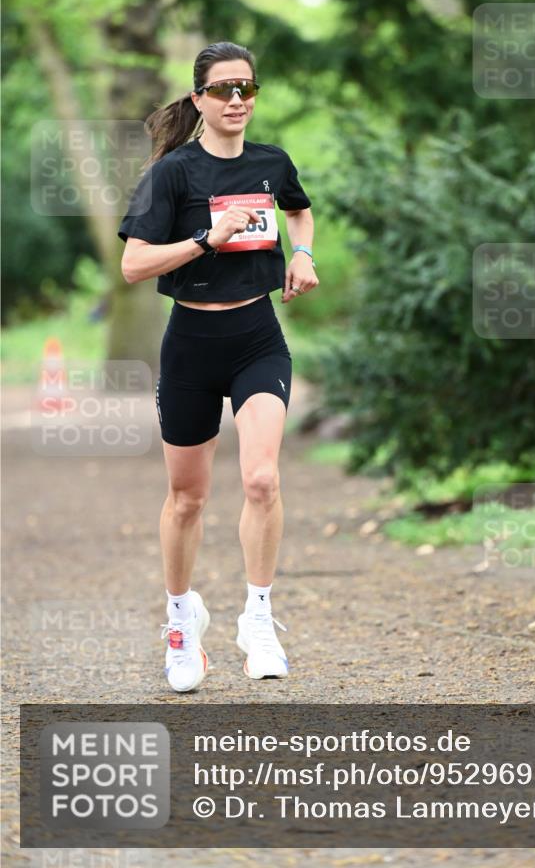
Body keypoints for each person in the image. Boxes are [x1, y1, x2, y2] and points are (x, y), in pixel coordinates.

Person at [117, 40, 319, 692]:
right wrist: (207, 239)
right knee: (187, 498)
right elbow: (133, 265)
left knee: (262, 478)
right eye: (224, 89)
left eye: (247, 89)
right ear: (200, 97)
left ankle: (257, 620)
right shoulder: (173, 174)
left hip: (257, 336)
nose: (238, 100)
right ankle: (182, 624)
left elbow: (298, 208)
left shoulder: (270, 162)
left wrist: (303, 254)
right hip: (190, 347)